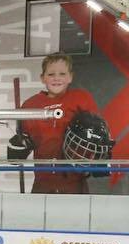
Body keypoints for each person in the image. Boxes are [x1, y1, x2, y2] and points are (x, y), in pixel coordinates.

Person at [12, 53, 105, 195]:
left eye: (62, 74)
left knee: (75, 217)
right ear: (42, 78)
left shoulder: (81, 99)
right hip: (43, 183)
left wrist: (98, 157)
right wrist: (16, 149)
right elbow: (24, 143)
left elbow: (98, 133)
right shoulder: (31, 105)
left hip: (75, 184)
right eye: (51, 74)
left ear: (70, 77)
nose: (57, 78)